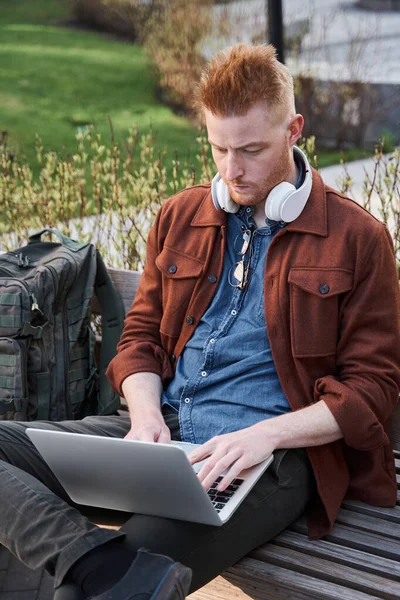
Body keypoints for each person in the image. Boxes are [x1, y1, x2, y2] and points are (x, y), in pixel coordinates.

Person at [0, 43, 399, 600]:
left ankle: (101, 574)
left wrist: (265, 435)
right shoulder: (182, 215)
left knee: (88, 593)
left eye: (252, 150)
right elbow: (138, 338)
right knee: (101, 576)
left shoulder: (357, 239)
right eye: (219, 148)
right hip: (159, 435)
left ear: (294, 130)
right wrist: (142, 419)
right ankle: (96, 564)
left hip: (266, 460)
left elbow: (372, 390)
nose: (232, 170)